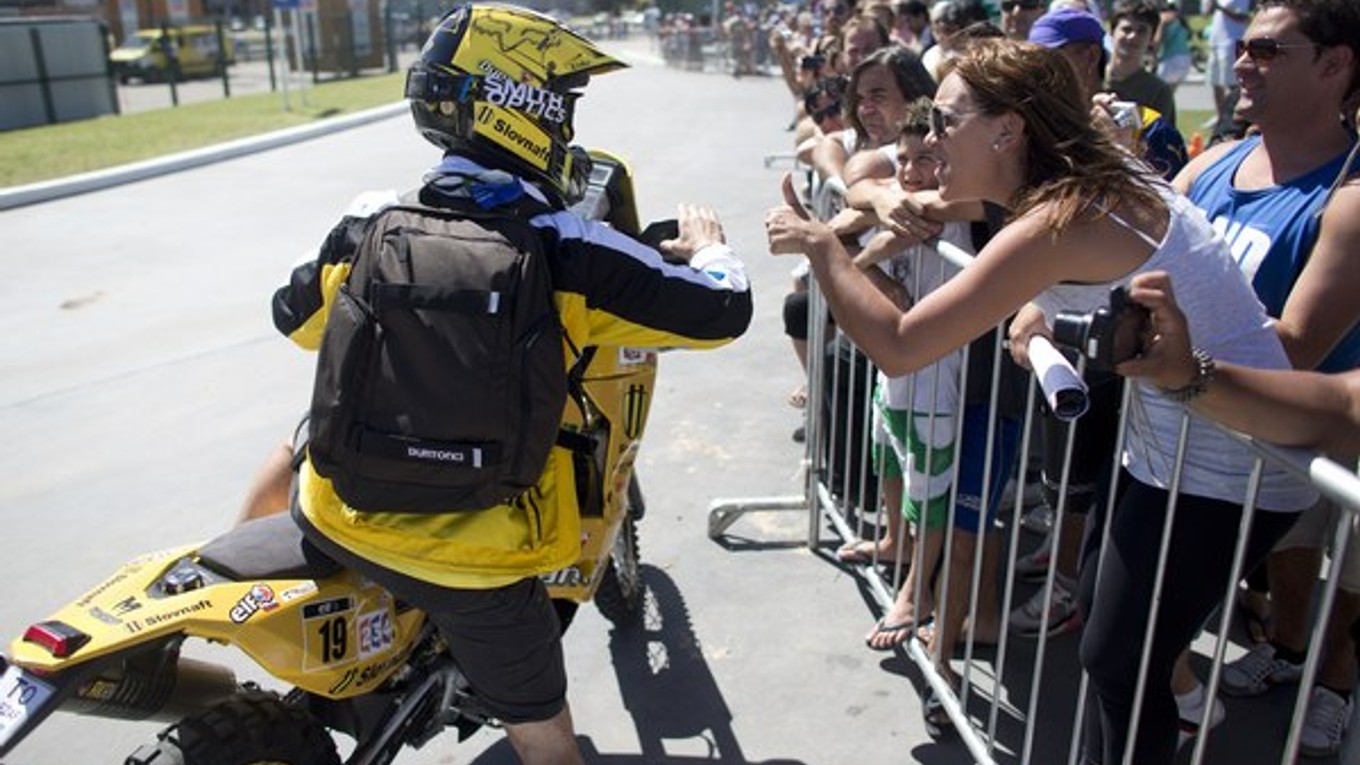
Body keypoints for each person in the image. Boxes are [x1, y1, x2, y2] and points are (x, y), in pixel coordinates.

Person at [765, 38, 1315, 764]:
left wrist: (820, 246)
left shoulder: (1057, 221)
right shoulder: (1075, 179)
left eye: (945, 121)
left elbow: (900, 343)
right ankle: (1176, 716)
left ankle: (1171, 724)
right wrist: (879, 204)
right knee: (1114, 647)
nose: (928, 136)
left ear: (1008, 130)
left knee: (1119, 657)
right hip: (1168, 442)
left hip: (1233, 462)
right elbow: (920, 202)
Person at [267, 7, 753, 765]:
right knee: (549, 746)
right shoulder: (569, 248)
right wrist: (711, 248)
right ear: (521, 105)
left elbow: (292, 318)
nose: (565, 122)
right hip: (474, 564)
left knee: (292, 445)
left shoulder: (369, 221)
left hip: (337, 512)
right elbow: (725, 311)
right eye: (560, 104)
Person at [1172, 0, 1360, 755]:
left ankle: (1335, 679)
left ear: (1336, 64)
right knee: (1290, 543)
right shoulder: (1215, 161)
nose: (1242, 62)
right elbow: (1135, 245)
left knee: (1348, 562)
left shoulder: (1349, 190)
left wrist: (1169, 349)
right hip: (1240, 432)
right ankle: (1286, 644)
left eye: (1267, 50)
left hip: (1330, 427)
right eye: (1244, 46)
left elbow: (1297, 348)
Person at [1105, 0, 1177, 126]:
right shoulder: (1089, 78)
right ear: (1111, 32)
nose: (1133, 36)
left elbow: (1161, 136)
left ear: (1151, 38)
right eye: (1126, 29)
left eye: (1141, 31)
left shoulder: (1158, 92)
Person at [1205, 0, 1252, 133]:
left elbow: (1242, 16)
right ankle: (1220, 117)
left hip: (1230, 41)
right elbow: (1206, 13)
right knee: (1215, 83)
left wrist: (1220, 7)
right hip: (1215, 41)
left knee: (1233, 85)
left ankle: (1236, 119)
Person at [1153, 0, 1195, 91]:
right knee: (1169, 94)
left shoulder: (1165, 23)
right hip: (1185, 60)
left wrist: (1161, 24)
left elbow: (1157, 42)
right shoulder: (1182, 23)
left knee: (1155, 92)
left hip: (1170, 60)